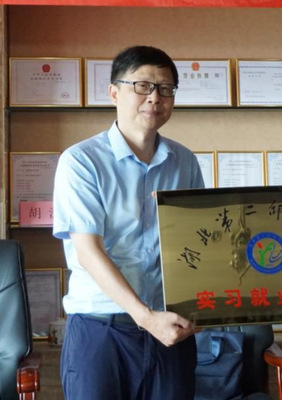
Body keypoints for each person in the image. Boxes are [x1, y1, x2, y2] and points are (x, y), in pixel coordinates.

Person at [53, 45, 205, 400]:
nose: (155, 98)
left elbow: (198, 241)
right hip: (101, 332)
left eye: (165, 89)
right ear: (114, 93)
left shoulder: (184, 161)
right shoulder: (81, 161)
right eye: (142, 86)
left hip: (169, 330)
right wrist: (145, 317)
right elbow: (89, 251)